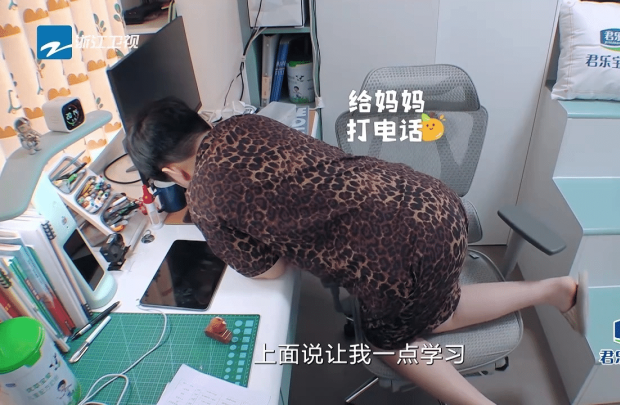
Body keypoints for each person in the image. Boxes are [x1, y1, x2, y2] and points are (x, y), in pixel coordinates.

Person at [126, 97, 588, 405]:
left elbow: (271, 270)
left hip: (399, 251)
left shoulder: (205, 196)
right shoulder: (248, 122)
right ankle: (554, 290)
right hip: (433, 201)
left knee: (389, 342)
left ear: (173, 172)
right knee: (440, 305)